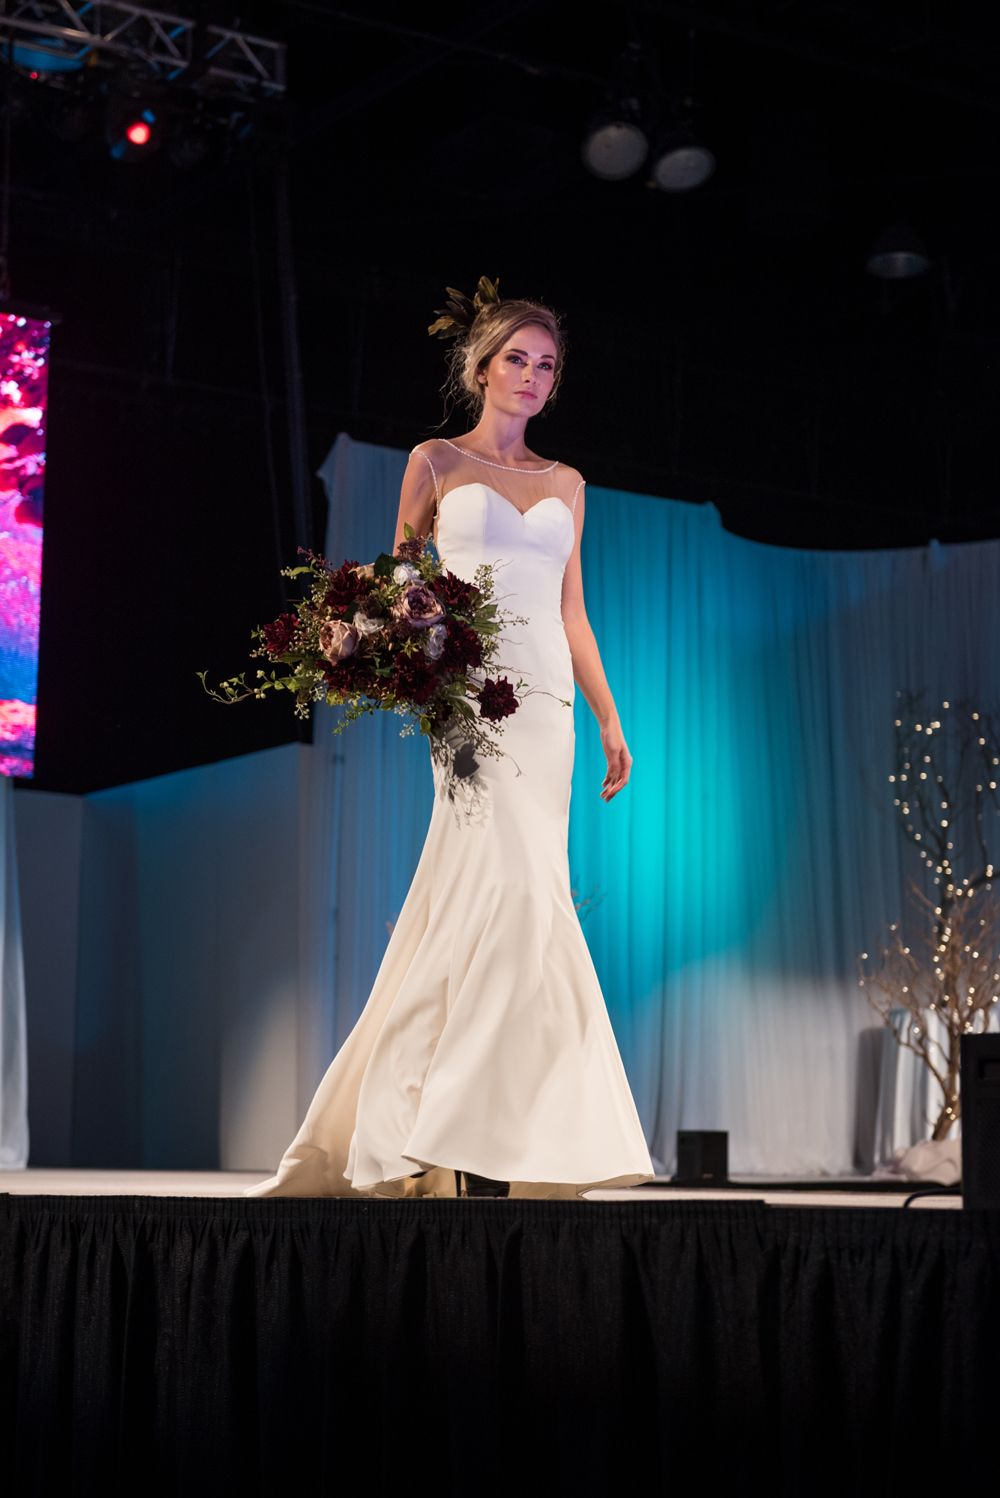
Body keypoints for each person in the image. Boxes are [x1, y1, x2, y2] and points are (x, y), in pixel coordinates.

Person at [245, 278, 655, 1200]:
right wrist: (357, 632)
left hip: (546, 702)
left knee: (523, 889)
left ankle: (487, 1132)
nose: (532, 376)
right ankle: (455, 1131)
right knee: (497, 884)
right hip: (471, 699)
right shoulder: (434, 460)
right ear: (480, 366)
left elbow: (573, 613)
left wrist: (609, 719)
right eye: (517, 357)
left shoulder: (568, 484)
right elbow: (398, 580)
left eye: (547, 365)